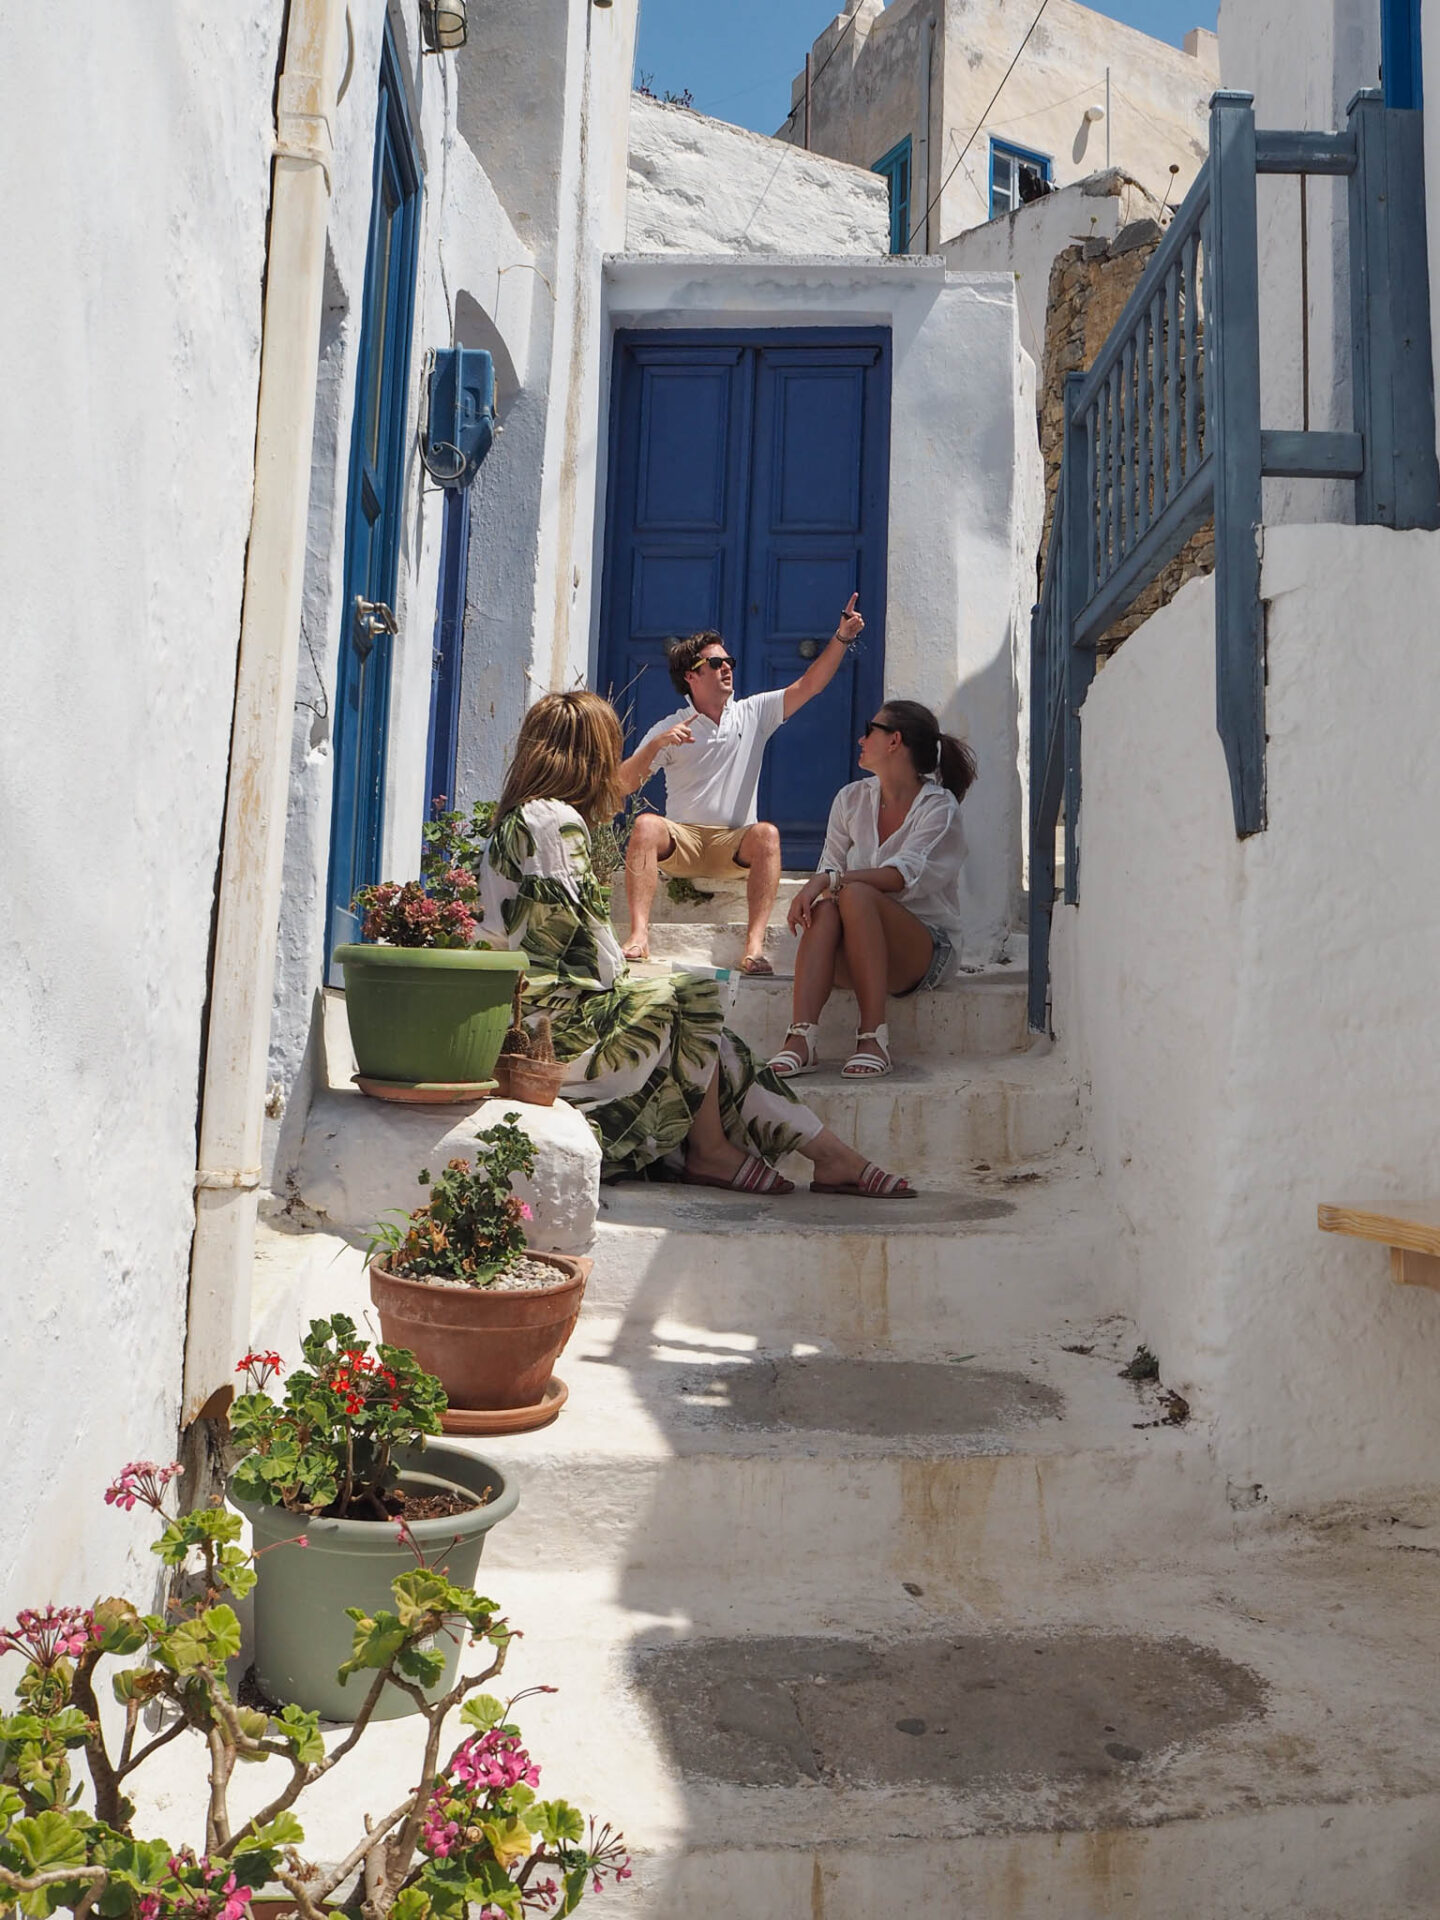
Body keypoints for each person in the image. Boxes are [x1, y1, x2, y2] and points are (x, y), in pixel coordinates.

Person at [472, 690, 914, 1198]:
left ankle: (825, 1156)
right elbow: (575, 944)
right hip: (555, 1028)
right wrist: (627, 979)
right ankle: (724, 1152)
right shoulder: (554, 821)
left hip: (535, 1012)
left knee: (716, 1043)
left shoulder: (520, 820)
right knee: (694, 995)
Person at [615, 597, 866, 974]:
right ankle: (638, 936)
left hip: (733, 844)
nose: (727, 668)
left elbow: (810, 685)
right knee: (646, 825)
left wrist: (842, 638)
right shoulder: (673, 725)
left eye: (729, 662)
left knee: (766, 834)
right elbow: (622, 784)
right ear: (691, 676)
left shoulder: (753, 713)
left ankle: (753, 947)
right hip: (683, 842)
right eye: (715, 663)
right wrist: (655, 745)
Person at [768, 700, 976, 1081]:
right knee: (830, 906)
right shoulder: (851, 798)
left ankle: (873, 1037)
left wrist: (828, 880)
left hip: (925, 950)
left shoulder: (938, 807)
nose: (861, 739)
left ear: (895, 740)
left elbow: (901, 876)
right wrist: (827, 881)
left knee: (853, 891)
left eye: (871, 730)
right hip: (859, 949)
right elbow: (830, 866)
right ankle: (800, 1037)